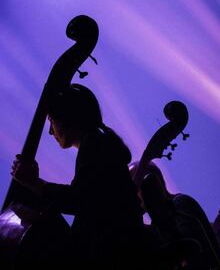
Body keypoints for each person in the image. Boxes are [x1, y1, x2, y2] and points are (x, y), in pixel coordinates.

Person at [11, 84, 149, 269]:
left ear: (66, 117)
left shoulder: (95, 144)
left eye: (51, 121)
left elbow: (79, 200)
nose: (51, 131)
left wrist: (35, 183)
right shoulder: (101, 143)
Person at [129, 161, 220, 269]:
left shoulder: (180, 203)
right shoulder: (155, 225)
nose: (131, 196)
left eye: (133, 188)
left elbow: (193, 253)